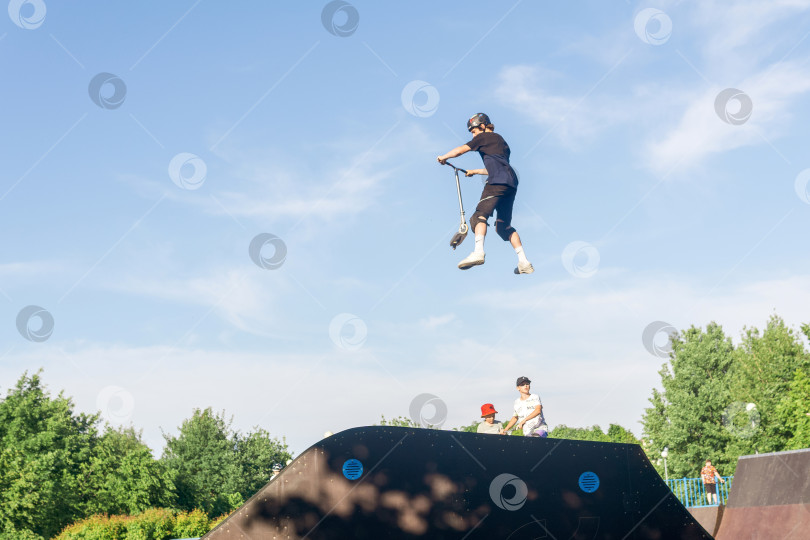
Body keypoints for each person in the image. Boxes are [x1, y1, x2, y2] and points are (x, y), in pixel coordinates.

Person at [437, 113, 534, 274]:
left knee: (479, 216)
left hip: (496, 182)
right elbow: (497, 167)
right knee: (503, 227)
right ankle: (524, 262)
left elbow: (461, 150)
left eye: (474, 131)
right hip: (510, 184)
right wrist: (474, 171)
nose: (474, 135)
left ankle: (478, 252)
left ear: (482, 126)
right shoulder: (501, 141)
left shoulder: (483, 138)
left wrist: (444, 157)